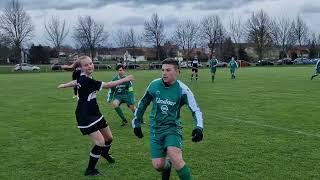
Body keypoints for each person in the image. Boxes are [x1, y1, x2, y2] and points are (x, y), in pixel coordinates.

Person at [58, 56, 134, 176]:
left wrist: (65, 85)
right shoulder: (87, 80)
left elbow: (75, 82)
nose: (90, 66)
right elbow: (108, 85)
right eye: (86, 65)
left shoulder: (81, 76)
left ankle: (104, 153)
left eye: (91, 63)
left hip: (95, 112)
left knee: (109, 138)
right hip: (85, 115)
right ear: (81, 68)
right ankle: (90, 170)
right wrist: (125, 79)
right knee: (100, 142)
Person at [132, 58, 204, 180]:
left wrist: (199, 127)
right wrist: (136, 123)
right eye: (163, 70)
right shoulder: (154, 84)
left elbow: (195, 109)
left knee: (175, 157)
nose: (164, 73)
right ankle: (167, 165)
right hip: (156, 128)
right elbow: (143, 103)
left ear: (177, 72)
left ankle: (174, 163)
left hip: (172, 128)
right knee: (158, 165)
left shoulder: (183, 89)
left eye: (168, 70)